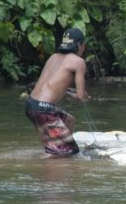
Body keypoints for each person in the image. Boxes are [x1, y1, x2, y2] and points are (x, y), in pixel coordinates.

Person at [24, 27, 90, 157]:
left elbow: (50, 86)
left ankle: (57, 148)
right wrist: (84, 96)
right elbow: (81, 97)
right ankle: (55, 154)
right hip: (44, 110)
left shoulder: (53, 57)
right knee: (67, 152)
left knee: (70, 120)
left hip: (31, 104)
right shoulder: (79, 62)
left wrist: (70, 93)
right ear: (80, 45)